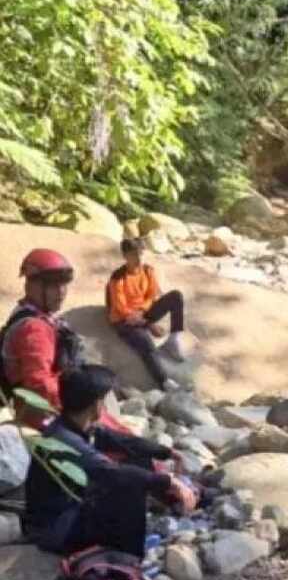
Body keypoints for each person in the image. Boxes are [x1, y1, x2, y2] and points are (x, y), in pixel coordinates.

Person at [22, 364, 197, 558]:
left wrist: (166, 452)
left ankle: (178, 502)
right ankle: (128, 556)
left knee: (136, 458)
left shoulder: (76, 425)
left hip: (75, 503)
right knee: (128, 484)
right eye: (103, 401)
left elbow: (122, 440)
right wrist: (168, 480)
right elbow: (110, 472)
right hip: (57, 528)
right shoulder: (63, 439)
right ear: (96, 404)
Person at [107, 238, 190, 389]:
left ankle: (173, 340)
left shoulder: (148, 271)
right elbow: (121, 308)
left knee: (176, 296)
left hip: (142, 313)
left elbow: (151, 296)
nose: (139, 259)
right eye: (134, 255)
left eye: (141, 254)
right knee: (146, 342)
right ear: (125, 256)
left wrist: (143, 312)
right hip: (123, 320)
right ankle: (164, 382)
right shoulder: (117, 278)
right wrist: (149, 324)